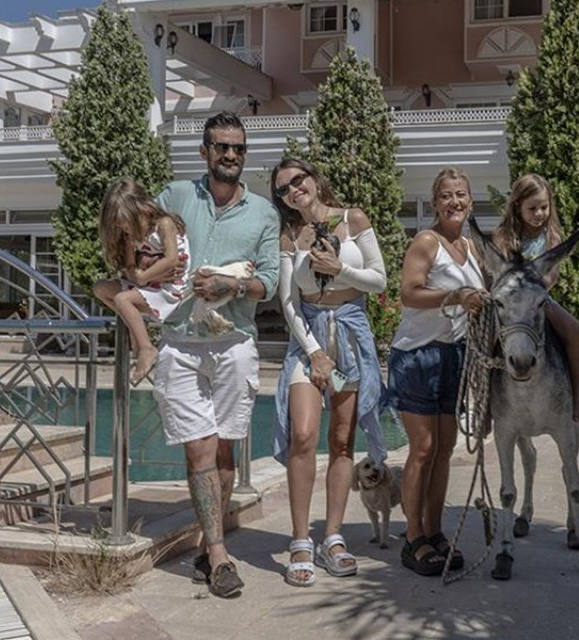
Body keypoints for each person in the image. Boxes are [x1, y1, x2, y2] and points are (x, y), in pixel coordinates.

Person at [153, 111, 280, 598]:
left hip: (235, 342)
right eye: (221, 146)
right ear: (204, 151)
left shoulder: (264, 213)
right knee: (200, 448)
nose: (230, 155)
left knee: (225, 448)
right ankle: (222, 557)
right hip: (181, 343)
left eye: (238, 148)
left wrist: (232, 284)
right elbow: (141, 236)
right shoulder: (177, 196)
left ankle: (210, 545)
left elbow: (268, 282)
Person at [269, 158, 389, 586]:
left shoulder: (353, 218)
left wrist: (342, 271)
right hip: (310, 339)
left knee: (342, 441)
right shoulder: (289, 236)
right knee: (303, 434)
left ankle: (332, 536)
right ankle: (300, 539)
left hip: (352, 335)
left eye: (298, 180)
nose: (293, 190)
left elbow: (379, 281)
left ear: (315, 180)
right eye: (283, 189)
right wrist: (316, 353)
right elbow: (288, 302)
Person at [387, 167, 486, 577]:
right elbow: (408, 292)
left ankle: (435, 530)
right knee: (423, 449)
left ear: (470, 200)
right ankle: (413, 538)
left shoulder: (471, 246)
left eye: (461, 194)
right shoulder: (426, 242)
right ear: (434, 203)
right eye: (446, 195)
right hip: (417, 354)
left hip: (454, 355)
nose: (454, 202)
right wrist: (456, 295)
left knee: (444, 449)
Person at [490, 174, 579, 422]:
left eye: (544, 207)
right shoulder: (504, 236)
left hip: (538, 301)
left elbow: (551, 276)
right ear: (517, 207)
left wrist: (532, 293)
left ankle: (576, 395)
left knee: (574, 330)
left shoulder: (552, 236)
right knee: (485, 340)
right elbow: (499, 274)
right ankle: (485, 406)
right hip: (510, 305)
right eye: (532, 208)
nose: (539, 214)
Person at [93, 179, 190, 384]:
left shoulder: (164, 225)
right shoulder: (132, 235)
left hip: (170, 288)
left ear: (144, 209)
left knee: (122, 300)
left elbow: (171, 259)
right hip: (148, 285)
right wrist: (136, 274)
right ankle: (133, 325)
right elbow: (130, 269)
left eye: (128, 223)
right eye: (122, 227)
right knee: (100, 288)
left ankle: (146, 347)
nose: (126, 230)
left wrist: (144, 276)